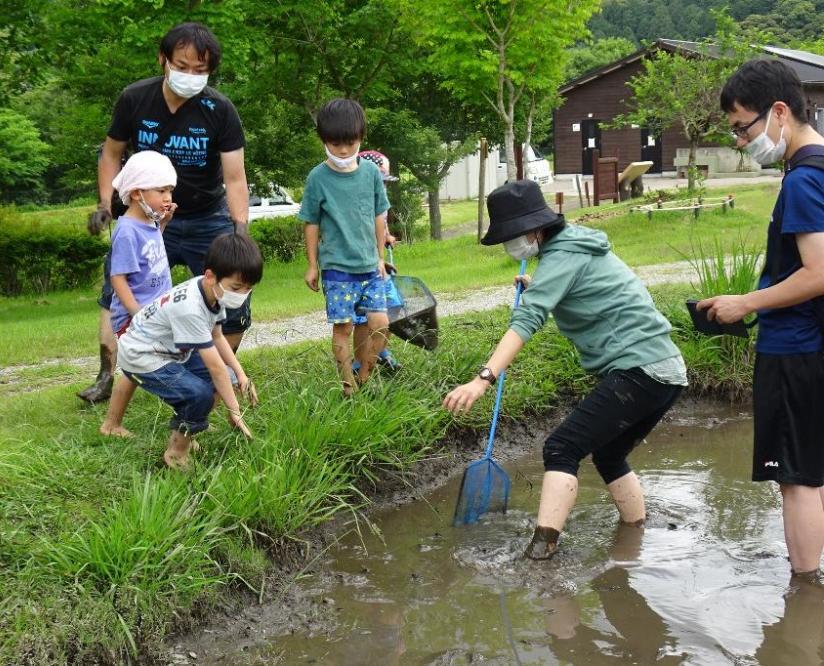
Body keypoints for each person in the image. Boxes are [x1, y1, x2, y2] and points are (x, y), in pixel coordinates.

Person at [444, 180, 687, 560]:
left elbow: (528, 321)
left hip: (639, 368)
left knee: (561, 447)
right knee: (608, 455)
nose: (512, 245)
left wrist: (483, 379)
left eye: (513, 236)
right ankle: (635, 534)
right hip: (666, 370)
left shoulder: (562, 256)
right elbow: (581, 289)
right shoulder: (574, 245)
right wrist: (537, 285)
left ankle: (541, 553)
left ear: (536, 229)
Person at [78, 21, 250, 404]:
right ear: (163, 60)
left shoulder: (220, 110)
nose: (191, 76)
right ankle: (108, 375)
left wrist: (240, 229)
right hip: (148, 220)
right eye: (182, 65)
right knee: (116, 295)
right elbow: (110, 153)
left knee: (233, 299)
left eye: (201, 70)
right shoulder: (135, 99)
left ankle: (210, 378)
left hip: (207, 216)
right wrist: (107, 203)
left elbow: (235, 178)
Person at [698, 58, 824, 579]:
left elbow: (819, 273)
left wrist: (746, 303)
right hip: (810, 344)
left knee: (797, 478)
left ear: (778, 112)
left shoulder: (802, 181)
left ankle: (803, 594)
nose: (740, 141)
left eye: (742, 127)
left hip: (795, 348)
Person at [101, 233, 262, 468]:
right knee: (198, 395)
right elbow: (215, 367)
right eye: (236, 287)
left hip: (168, 349)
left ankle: (187, 430)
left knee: (224, 379)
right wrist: (234, 410)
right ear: (210, 276)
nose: (240, 295)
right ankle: (176, 453)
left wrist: (240, 374)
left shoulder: (213, 292)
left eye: (247, 289)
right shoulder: (191, 308)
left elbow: (216, 335)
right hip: (143, 355)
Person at [300, 99, 391, 396]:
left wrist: (380, 257)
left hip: (370, 265)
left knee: (380, 324)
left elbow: (379, 216)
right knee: (344, 327)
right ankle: (346, 384)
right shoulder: (317, 178)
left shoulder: (370, 174)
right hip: (337, 269)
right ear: (324, 141)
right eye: (335, 143)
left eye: (350, 143)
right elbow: (311, 222)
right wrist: (312, 264)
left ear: (361, 138)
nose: (343, 150)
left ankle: (364, 374)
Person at [96, 150, 177, 437]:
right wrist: (137, 314)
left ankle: (111, 423)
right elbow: (118, 278)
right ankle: (186, 421)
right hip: (136, 316)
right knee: (166, 364)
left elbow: (150, 254)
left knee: (132, 370)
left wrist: (163, 224)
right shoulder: (127, 230)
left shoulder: (148, 223)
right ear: (137, 193)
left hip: (153, 311)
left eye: (170, 190)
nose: (168, 197)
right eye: (161, 190)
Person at [352, 150, 401, 373]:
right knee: (364, 319)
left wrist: (387, 239)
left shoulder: (380, 201)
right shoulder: (358, 204)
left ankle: (380, 349)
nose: (382, 186)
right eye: (379, 181)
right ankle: (359, 362)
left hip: (380, 267)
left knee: (392, 307)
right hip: (364, 268)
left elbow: (382, 228)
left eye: (384, 182)